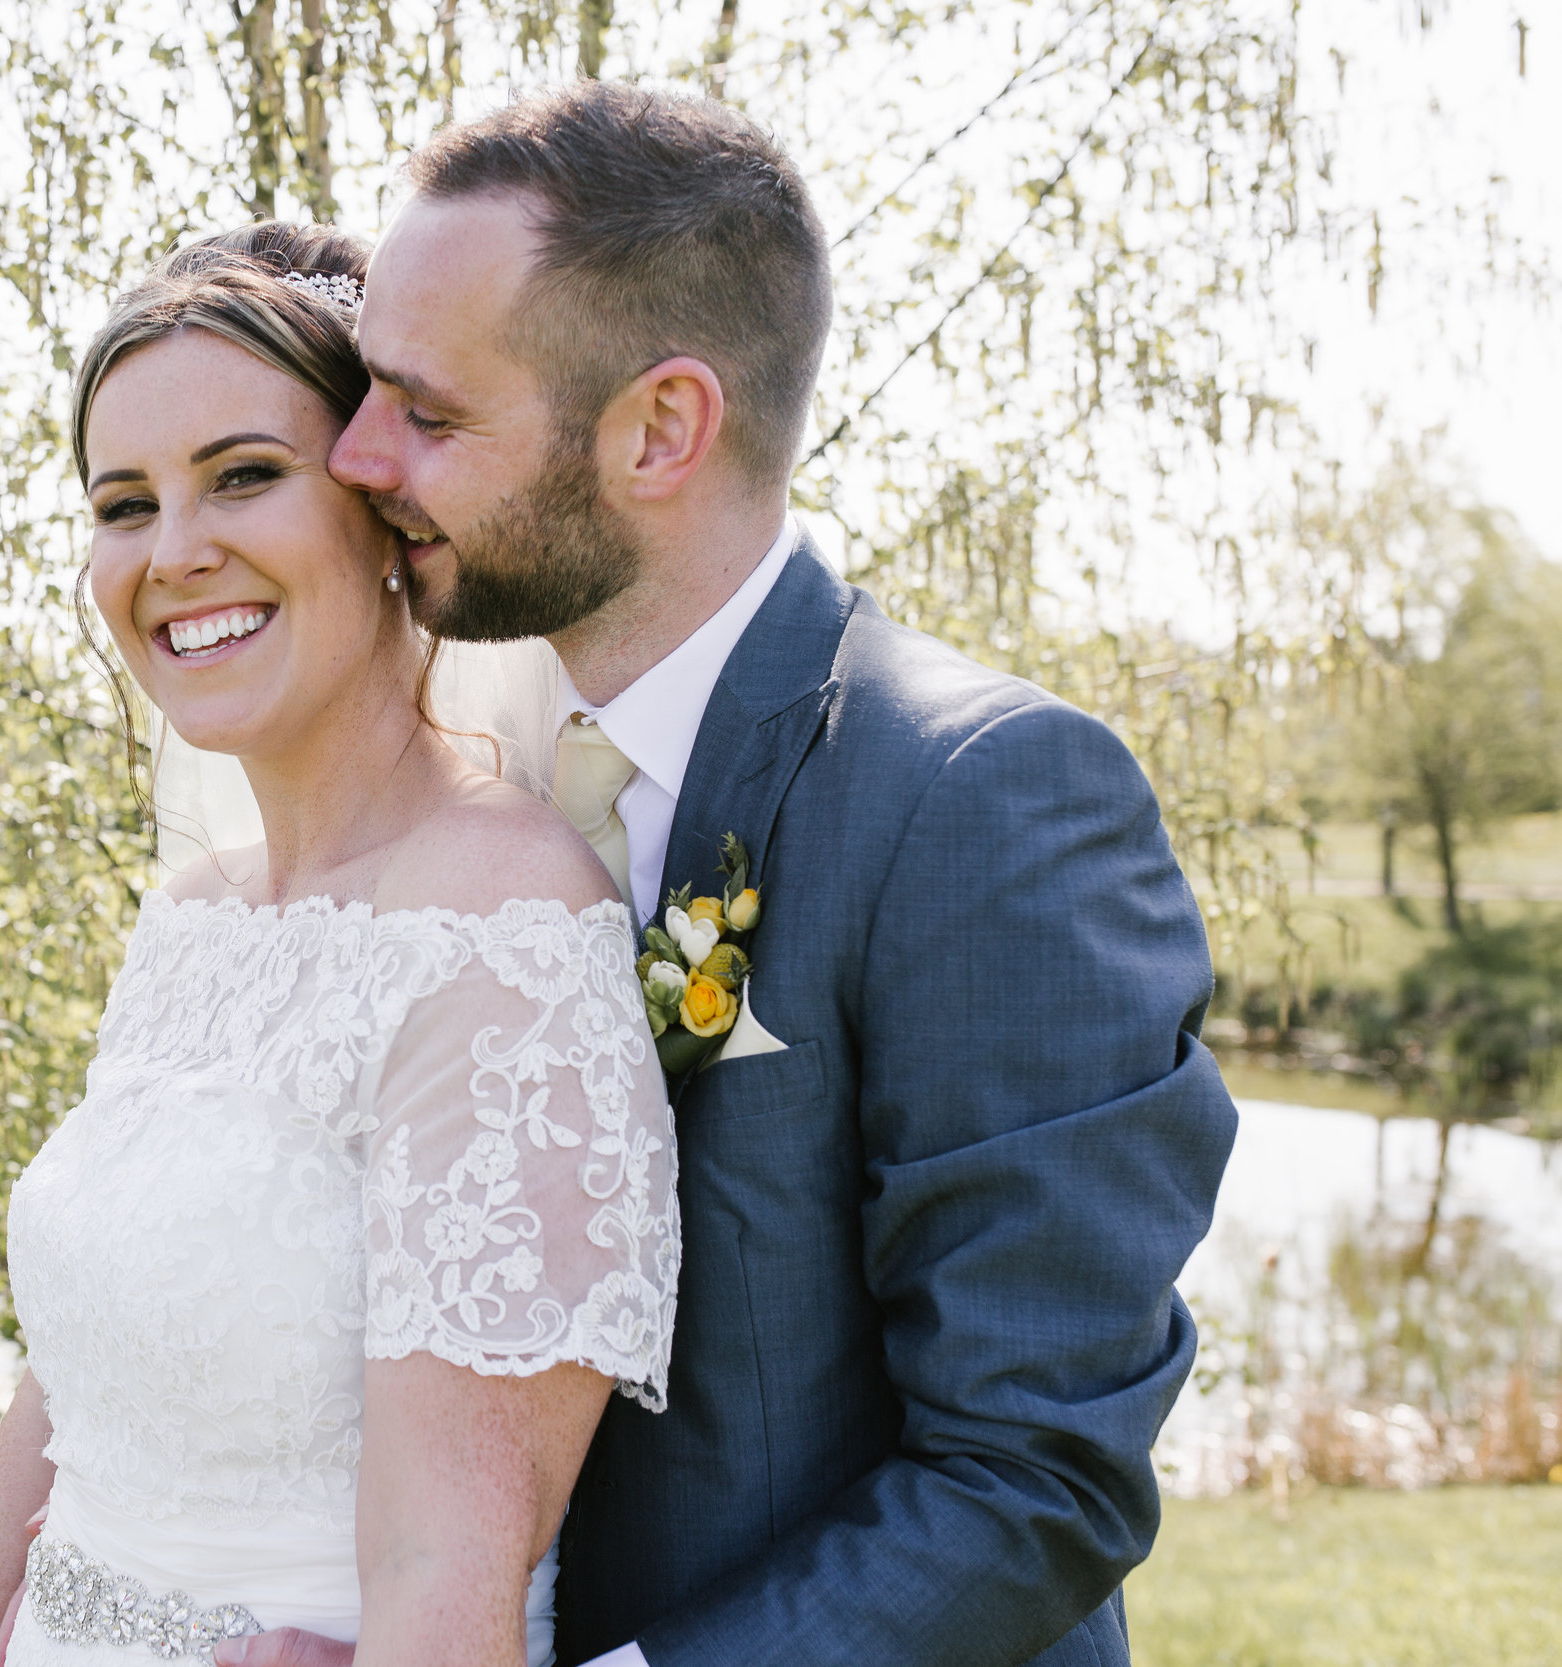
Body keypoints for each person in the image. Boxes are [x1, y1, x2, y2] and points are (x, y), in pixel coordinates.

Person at [247, 81, 1230, 1667]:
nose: (355, 457)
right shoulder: (448, 783)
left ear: (662, 428)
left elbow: (1032, 1477)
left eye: (427, 415)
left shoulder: (982, 801)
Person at [0, 222, 682, 1667]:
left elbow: (454, 1547)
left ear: (386, 511)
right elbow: (66, 1401)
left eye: (244, 477)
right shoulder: (199, 913)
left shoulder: (494, 914)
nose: (175, 552)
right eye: (123, 503)